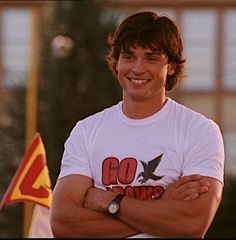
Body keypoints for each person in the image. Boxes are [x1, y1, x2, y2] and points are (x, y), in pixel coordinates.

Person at [50, 11, 225, 238]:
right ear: (116, 62)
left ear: (170, 66)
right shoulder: (86, 131)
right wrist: (161, 207)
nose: (138, 68)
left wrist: (108, 201)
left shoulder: (199, 130)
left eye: (151, 58)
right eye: (129, 57)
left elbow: (192, 223)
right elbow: (63, 223)